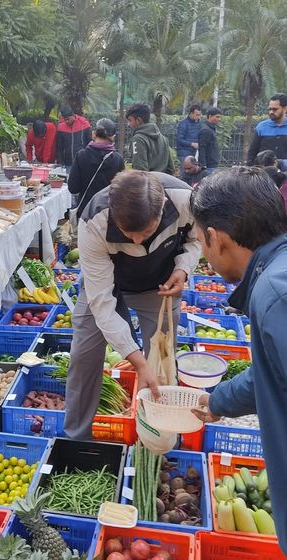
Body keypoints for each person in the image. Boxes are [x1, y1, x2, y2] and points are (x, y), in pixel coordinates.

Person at [190, 167, 287, 554]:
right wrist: (218, 401)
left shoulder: (275, 294)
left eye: (200, 241)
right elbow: (270, 373)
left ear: (216, 238)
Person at [64, 170, 201, 440]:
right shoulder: (94, 220)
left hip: (160, 285)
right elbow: (102, 304)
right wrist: (137, 361)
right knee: (84, 356)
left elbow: (198, 240)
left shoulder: (185, 200)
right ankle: (76, 438)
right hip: (107, 282)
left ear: (161, 209)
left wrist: (183, 268)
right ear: (115, 215)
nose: (137, 241)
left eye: (146, 231)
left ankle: (158, 437)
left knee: (161, 359)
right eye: (129, 233)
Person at [67, 118, 124, 218]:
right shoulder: (118, 159)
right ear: (112, 137)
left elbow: (73, 188)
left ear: (94, 134)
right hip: (109, 214)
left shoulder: (81, 155)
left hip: (86, 213)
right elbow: (121, 191)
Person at [126, 103, 174, 174]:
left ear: (138, 120)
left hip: (147, 183)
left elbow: (140, 170)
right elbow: (171, 168)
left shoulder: (138, 139)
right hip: (162, 183)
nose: (128, 124)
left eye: (130, 120)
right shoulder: (164, 139)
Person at [247, 94, 287, 168]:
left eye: (275, 109)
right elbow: (252, 153)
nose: (271, 112)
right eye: (270, 109)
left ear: (285, 109)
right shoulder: (261, 127)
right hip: (265, 175)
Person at [198, 107, 221, 172]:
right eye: (217, 117)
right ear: (210, 116)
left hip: (212, 163)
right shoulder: (205, 130)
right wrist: (203, 165)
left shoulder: (210, 128)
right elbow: (202, 148)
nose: (219, 119)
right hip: (209, 165)